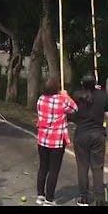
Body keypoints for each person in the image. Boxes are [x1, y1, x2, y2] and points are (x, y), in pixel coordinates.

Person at [35, 76, 78, 206]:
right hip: (57, 141)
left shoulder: (41, 99)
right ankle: (49, 199)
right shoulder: (61, 100)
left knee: (43, 167)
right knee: (54, 170)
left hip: (42, 139)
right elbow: (75, 108)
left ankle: (40, 195)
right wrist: (66, 95)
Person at [70, 75, 108, 206]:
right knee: (97, 167)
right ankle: (99, 198)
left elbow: (69, 110)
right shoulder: (103, 95)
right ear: (95, 83)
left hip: (81, 134)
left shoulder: (76, 95)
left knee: (82, 167)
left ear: (82, 83)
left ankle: (84, 198)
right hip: (98, 134)